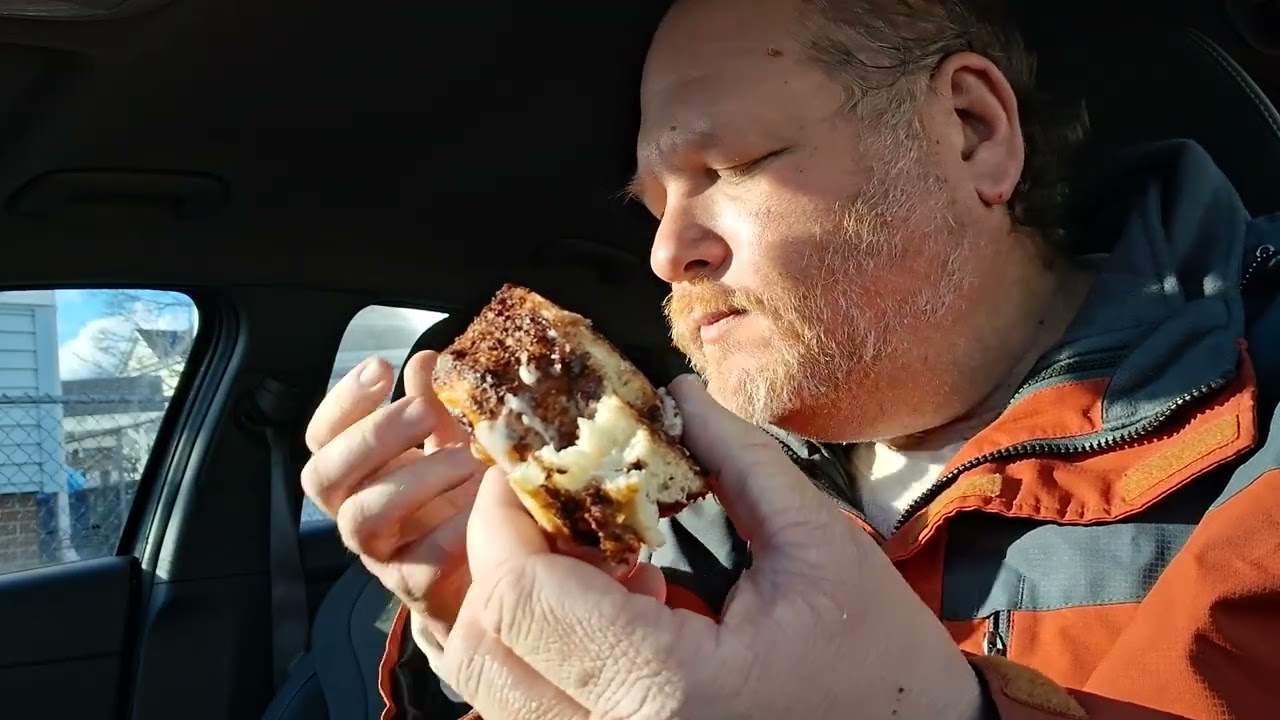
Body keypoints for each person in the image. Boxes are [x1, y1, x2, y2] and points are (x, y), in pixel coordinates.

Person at [300, 0, 1280, 717]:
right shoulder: (673, 515)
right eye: (652, 207)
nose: (664, 253)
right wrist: (499, 648)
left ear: (970, 132)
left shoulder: (1258, 428)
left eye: (730, 167)